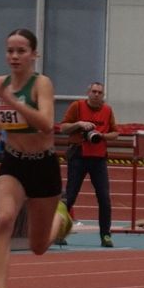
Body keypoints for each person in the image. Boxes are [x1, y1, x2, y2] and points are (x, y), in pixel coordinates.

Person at [0, 28, 73, 288]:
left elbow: (46, 124)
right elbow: (1, 114)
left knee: (38, 246)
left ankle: (61, 218)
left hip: (43, 166)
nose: (14, 56)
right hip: (14, 163)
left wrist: (10, 99)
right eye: (10, 51)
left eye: (21, 51)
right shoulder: (1, 83)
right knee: (4, 219)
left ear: (34, 54)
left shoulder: (41, 84)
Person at [58, 82, 120, 247]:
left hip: (99, 158)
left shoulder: (107, 110)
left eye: (100, 92)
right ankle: (57, 231)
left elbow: (116, 133)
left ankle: (105, 235)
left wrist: (102, 136)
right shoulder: (77, 106)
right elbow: (63, 128)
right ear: (88, 92)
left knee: (104, 198)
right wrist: (79, 124)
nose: (96, 94)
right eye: (94, 91)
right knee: (70, 195)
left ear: (103, 95)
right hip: (78, 156)